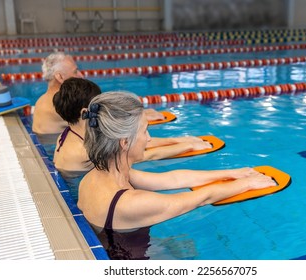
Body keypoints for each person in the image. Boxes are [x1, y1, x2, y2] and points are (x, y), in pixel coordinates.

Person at [77, 91, 276, 259]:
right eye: (145, 131)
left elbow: (175, 179)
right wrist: (247, 184)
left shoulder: (99, 176)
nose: (149, 138)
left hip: (117, 247)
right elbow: (200, 198)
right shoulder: (130, 202)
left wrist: (234, 173)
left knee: (184, 248)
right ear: (124, 142)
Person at [52, 77, 212, 198]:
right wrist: (185, 146)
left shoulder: (69, 134)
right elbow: (144, 154)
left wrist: (178, 140)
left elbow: (128, 142)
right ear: (84, 113)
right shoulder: (83, 152)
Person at [32, 52, 165, 141]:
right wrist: (140, 116)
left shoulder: (44, 100)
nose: (81, 75)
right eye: (75, 71)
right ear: (60, 77)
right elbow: (106, 119)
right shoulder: (58, 105)